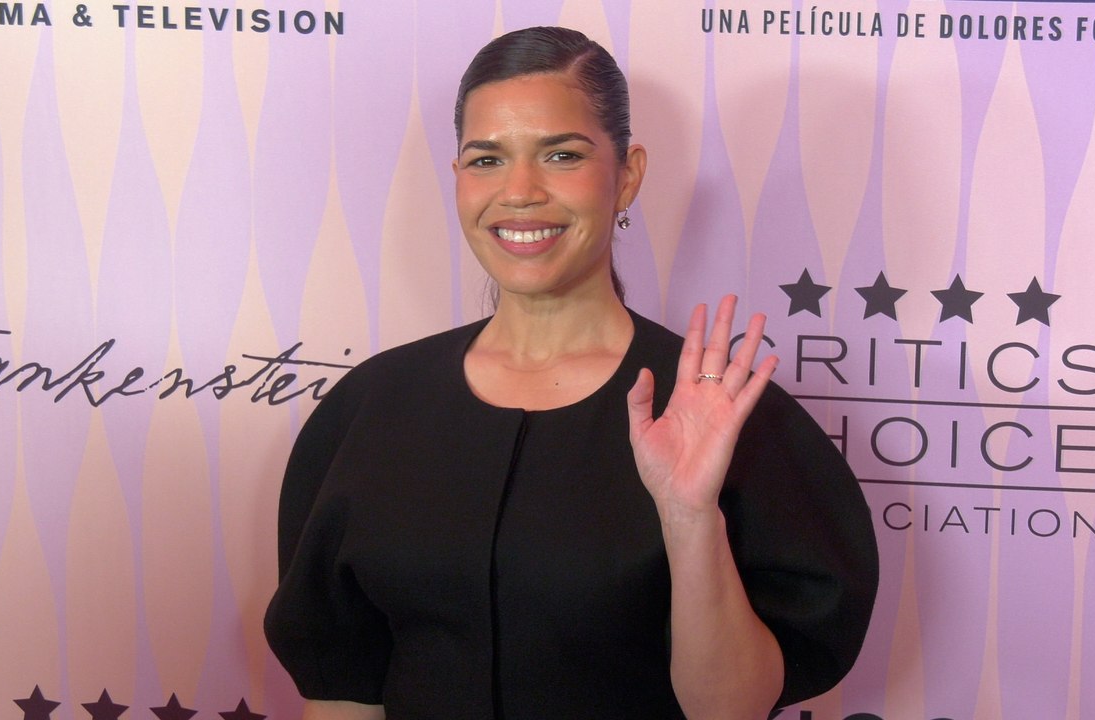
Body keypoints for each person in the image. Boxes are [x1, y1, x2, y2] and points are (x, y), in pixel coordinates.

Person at [264, 26, 877, 720]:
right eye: (487, 159)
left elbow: (730, 711)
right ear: (459, 179)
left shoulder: (718, 409)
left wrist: (687, 516)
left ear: (629, 174)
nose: (520, 192)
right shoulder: (372, 409)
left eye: (561, 154)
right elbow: (343, 692)